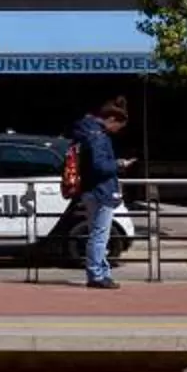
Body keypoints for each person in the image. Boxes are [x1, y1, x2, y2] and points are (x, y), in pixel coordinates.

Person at [68, 98, 132, 290]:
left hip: (90, 189)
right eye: (118, 126)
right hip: (100, 190)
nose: (117, 131)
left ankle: (99, 273)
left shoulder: (87, 133)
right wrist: (119, 165)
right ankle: (97, 274)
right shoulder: (98, 136)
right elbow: (100, 166)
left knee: (98, 233)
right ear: (111, 119)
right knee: (99, 234)